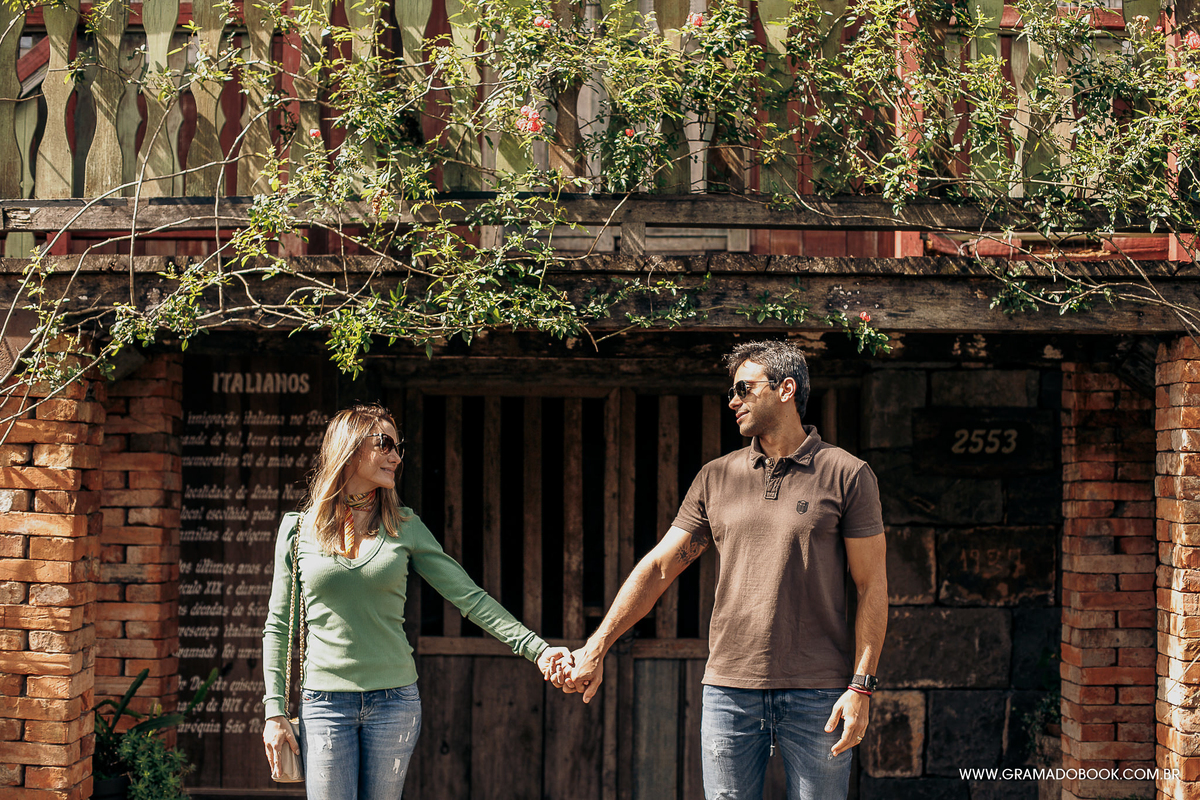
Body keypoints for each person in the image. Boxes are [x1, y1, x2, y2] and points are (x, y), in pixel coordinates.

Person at [554, 340, 887, 800]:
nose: (733, 400)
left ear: (786, 388)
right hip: (730, 692)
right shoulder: (716, 476)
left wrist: (861, 688)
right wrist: (596, 646)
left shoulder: (847, 474)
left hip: (819, 696)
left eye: (743, 389)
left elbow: (872, 587)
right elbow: (658, 567)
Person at [262, 402, 568, 799]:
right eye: (385, 443)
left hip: (394, 703)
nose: (396, 455)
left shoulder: (405, 526)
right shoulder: (297, 530)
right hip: (324, 705)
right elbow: (278, 625)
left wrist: (538, 651)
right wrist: (274, 711)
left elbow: (470, 597)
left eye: (398, 446)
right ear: (351, 448)